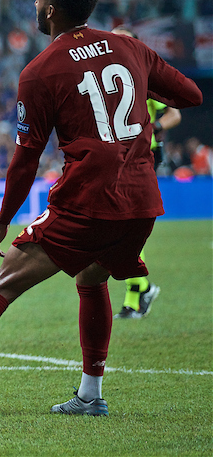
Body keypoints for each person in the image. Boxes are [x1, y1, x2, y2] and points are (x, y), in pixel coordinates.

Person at [0, 0, 203, 421]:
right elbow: (192, 95)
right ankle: (91, 395)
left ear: (51, 10)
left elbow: (26, 160)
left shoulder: (39, 72)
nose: (35, 6)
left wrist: (3, 217)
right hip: (141, 202)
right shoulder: (130, 47)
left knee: (2, 283)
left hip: (88, 201)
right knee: (91, 278)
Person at [109, 27, 178, 320]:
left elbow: (174, 114)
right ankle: (142, 289)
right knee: (118, 229)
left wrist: (155, 129)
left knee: (126, 227)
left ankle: (135, 297)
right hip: (113, 161)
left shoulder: (146, 78)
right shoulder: (104, 79)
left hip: (140, 161)